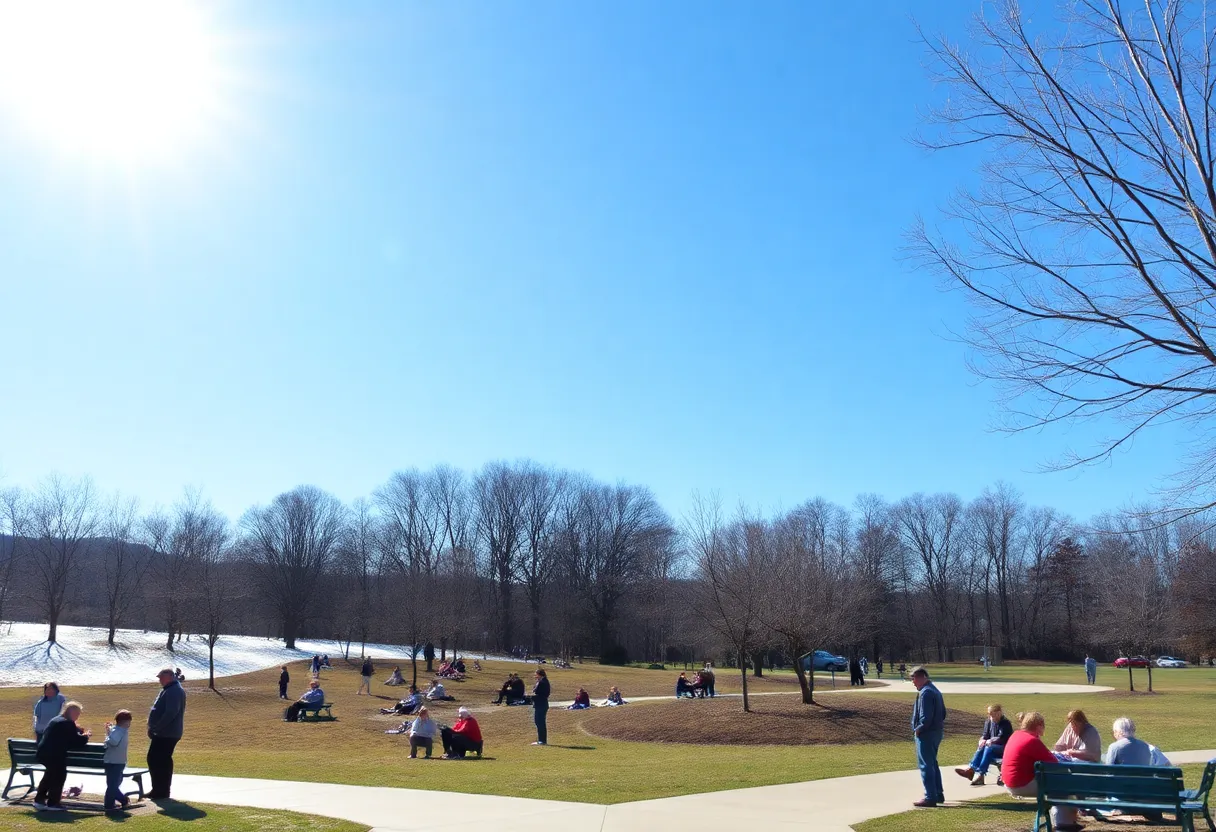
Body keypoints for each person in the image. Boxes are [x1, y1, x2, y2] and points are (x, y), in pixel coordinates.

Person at [1001, 711, 1083, 831]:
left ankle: (1063, 821)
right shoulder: (1031, 741)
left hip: (1010, 783)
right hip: (1022, 784)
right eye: (1043, 726)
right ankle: (1064, 823)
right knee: (1064, 783)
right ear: (1039, 726)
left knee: (1057, 783)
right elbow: (1054, 764)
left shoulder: (1016, 735)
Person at [33, 700, 91, 811]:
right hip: (55, 755)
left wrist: (75, 729)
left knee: (49, 776)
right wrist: (86, 736)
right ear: (72, 712)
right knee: (58, 777)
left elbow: (66, 736)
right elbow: (76, 742)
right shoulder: (67, 723)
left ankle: (39, 800)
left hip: (44, 753)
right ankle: (53, 803)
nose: (78, 716)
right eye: (77, 714)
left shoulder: (56, 720)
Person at [146, 668, 186, 800]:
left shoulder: (174, 691)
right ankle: (158, 789)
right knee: (157, 759)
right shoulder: (169, 689)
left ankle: (161, 790)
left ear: (169, 676)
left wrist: (157, 728)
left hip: (167, 733)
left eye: (161, 677)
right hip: (164, 732)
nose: (159, 680)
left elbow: (171, 713)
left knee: (158, 759)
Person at [910, 666, 945, 808]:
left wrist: (919, 729)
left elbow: (926, 717)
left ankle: (930, 797)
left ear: (922, 677)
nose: (913, 682)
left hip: (927, 733)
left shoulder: (926, 693)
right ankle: (938, 794)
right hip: (936, 732)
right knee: (932, 763)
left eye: (914, 678)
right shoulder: (934, 690)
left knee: (926, 765)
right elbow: (943, 713)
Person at [955, 703, 1013, 786]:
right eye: (989, 714)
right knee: (983, 746)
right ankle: (971, 769)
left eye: (993, 714)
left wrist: (991, 741)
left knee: (988, 747)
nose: (991, 716)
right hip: (990, 748)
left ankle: (980, 773)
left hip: (1004, 748)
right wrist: (982, 740)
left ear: (999, 713)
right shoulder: (988, 722)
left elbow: (1002, 738)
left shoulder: (1005, 723)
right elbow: (985, 735)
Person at [102, 710, 132, 812]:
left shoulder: (116, 730)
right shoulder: (120, 731)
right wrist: (109, 737)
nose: (129, 725)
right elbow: (114, 741)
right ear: (126, 722)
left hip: (111, 761)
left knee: (112, 784)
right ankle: (116, 802)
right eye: (129, 722)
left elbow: (112, 738)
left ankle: (114, 802)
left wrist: (108, 732)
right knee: (113, 784)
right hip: (117, 762)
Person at [532, 668, 550, 746]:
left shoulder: (542, 682)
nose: (535, 676)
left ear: (539, 674)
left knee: (540, 722)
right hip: (541, 704)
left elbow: (538, 693)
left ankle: (542, 741)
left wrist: (531, 696)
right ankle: (541, 740)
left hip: (541, 704)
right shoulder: (542, 681)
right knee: (538, 721)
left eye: (536, 674)